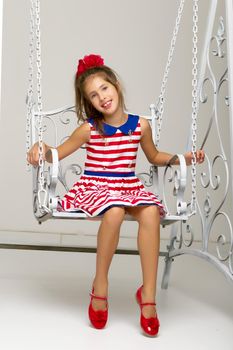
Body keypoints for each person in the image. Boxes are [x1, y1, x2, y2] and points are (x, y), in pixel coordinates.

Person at [27, 54, 205, 337]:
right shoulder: (89, 129)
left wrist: (181, 158)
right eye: (93, 96)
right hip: (97, 187)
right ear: (89, 103)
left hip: (127, 186)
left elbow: (154, 155)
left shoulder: (140, 126)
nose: (102, 98)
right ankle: (100, 284)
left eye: (105, 89)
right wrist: (41, 149)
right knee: (115, 210)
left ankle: (148, 297)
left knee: (149, 211)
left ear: (116, 86)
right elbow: (57, 153)